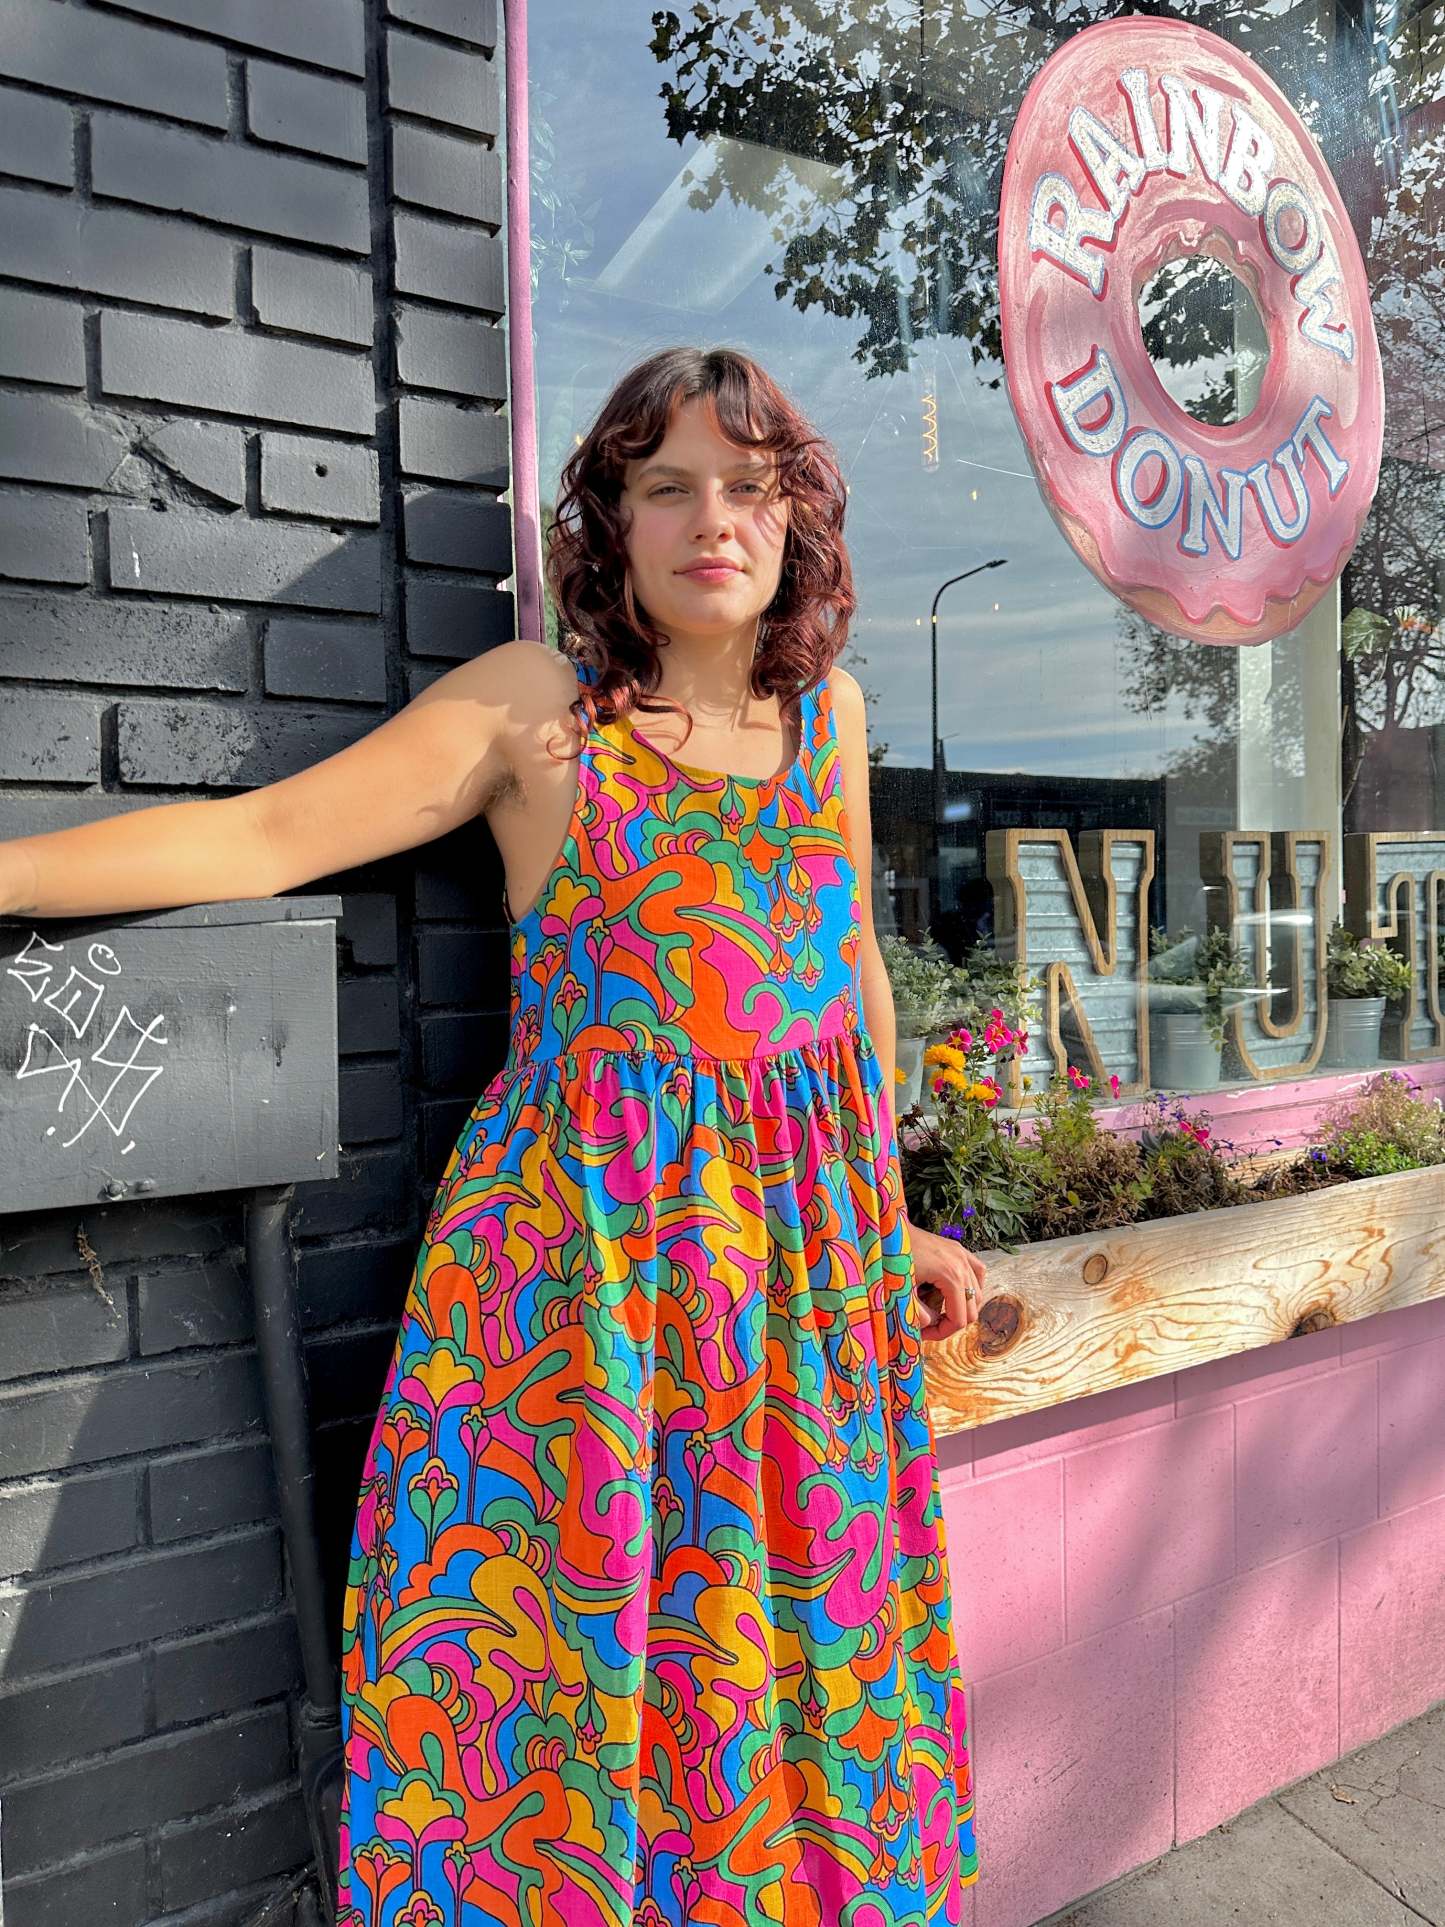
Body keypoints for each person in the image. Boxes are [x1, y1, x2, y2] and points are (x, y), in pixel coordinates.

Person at [0, 345, 985, 1923]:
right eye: (666, 486)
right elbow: (268, 834)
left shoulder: (831, 716)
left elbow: (848, 973)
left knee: (791, 1651)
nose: (711, 521)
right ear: (611, 516)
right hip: (587, 1281)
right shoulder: (547, 710)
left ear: (798, 519)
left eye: (749, 488)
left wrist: (890, 1215)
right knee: (570, 1667)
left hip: (795, 1288)